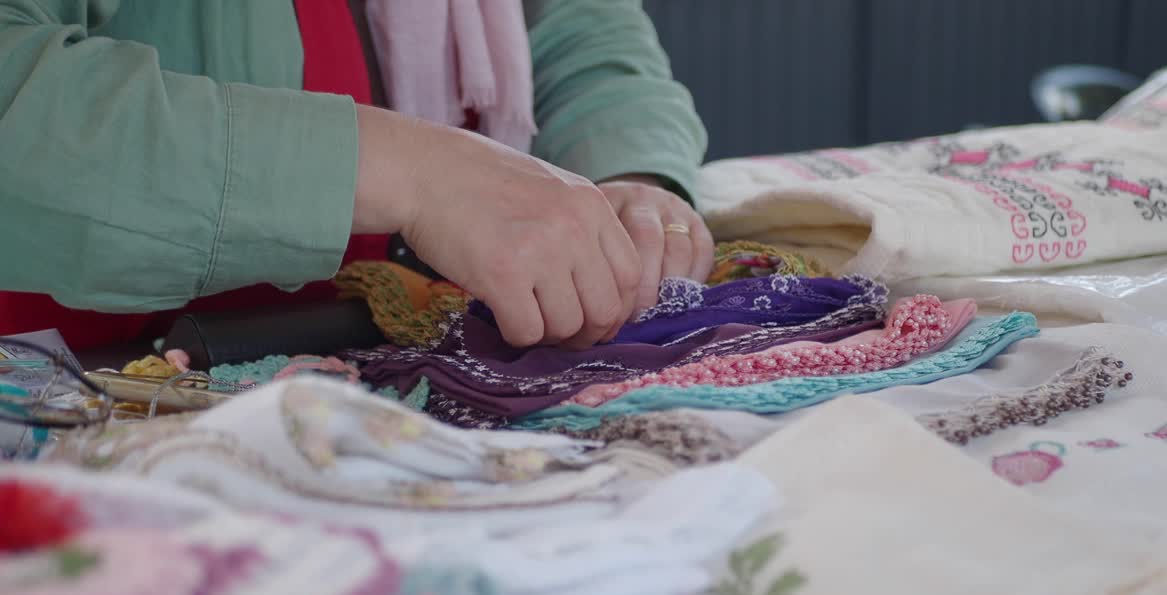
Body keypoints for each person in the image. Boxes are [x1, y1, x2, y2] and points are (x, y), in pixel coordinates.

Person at [0, 0, 710, 350]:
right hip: (90, 372)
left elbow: (575, 24)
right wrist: (414, 173)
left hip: (368, 360)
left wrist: (631, 175)